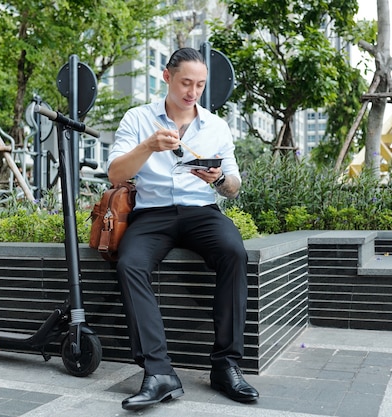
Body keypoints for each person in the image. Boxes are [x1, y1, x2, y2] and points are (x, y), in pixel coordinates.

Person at [106, 47, 259, 411]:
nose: (192, 92)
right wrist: (148, 146)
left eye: (200, 85)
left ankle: (226, 365)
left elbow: (234, 186)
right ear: (167, 78)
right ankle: (158, 373)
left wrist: (219, 177)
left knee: (234, 252)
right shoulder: (138, 119)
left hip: (200, 211)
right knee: (130, 264)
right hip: (152, 214)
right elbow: (115, 174)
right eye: (186, 82)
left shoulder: (216, 126)